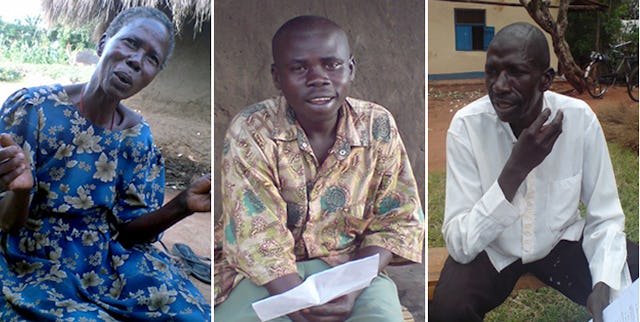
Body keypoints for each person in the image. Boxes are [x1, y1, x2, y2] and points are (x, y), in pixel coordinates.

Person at [0, 7, 211, 321]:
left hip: (105, 258)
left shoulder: (137, 139)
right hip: (30, 258)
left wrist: (182, 204)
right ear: (103, 44)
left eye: (152, 58)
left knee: (189, 314)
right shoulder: (33, 110)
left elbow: (129, 232)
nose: (137, 60)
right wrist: (20, 194)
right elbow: (6, 222)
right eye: (130, 43)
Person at [214, 15, 424, 321]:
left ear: (350, 68)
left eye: (332, 64)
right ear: (277, 77)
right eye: (299, 68)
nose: (318, 78)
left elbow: (399, 218)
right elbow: (256, 235)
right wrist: (295, 300)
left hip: (350, 268)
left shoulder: (377, 125)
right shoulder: (251, 130)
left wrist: (351, 287)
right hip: (265, 277)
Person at [429, 22, 638, 322]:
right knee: (448, 310)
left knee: (631, 278)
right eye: (492, 71)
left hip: (558, 241)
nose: (499, 85)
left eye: (515, 72)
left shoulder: (579, 121)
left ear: (546, 80)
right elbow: (460, 242)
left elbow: (605, 216)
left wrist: (604, 282)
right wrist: (516, 168)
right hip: (493, 248)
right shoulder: (467, 127)